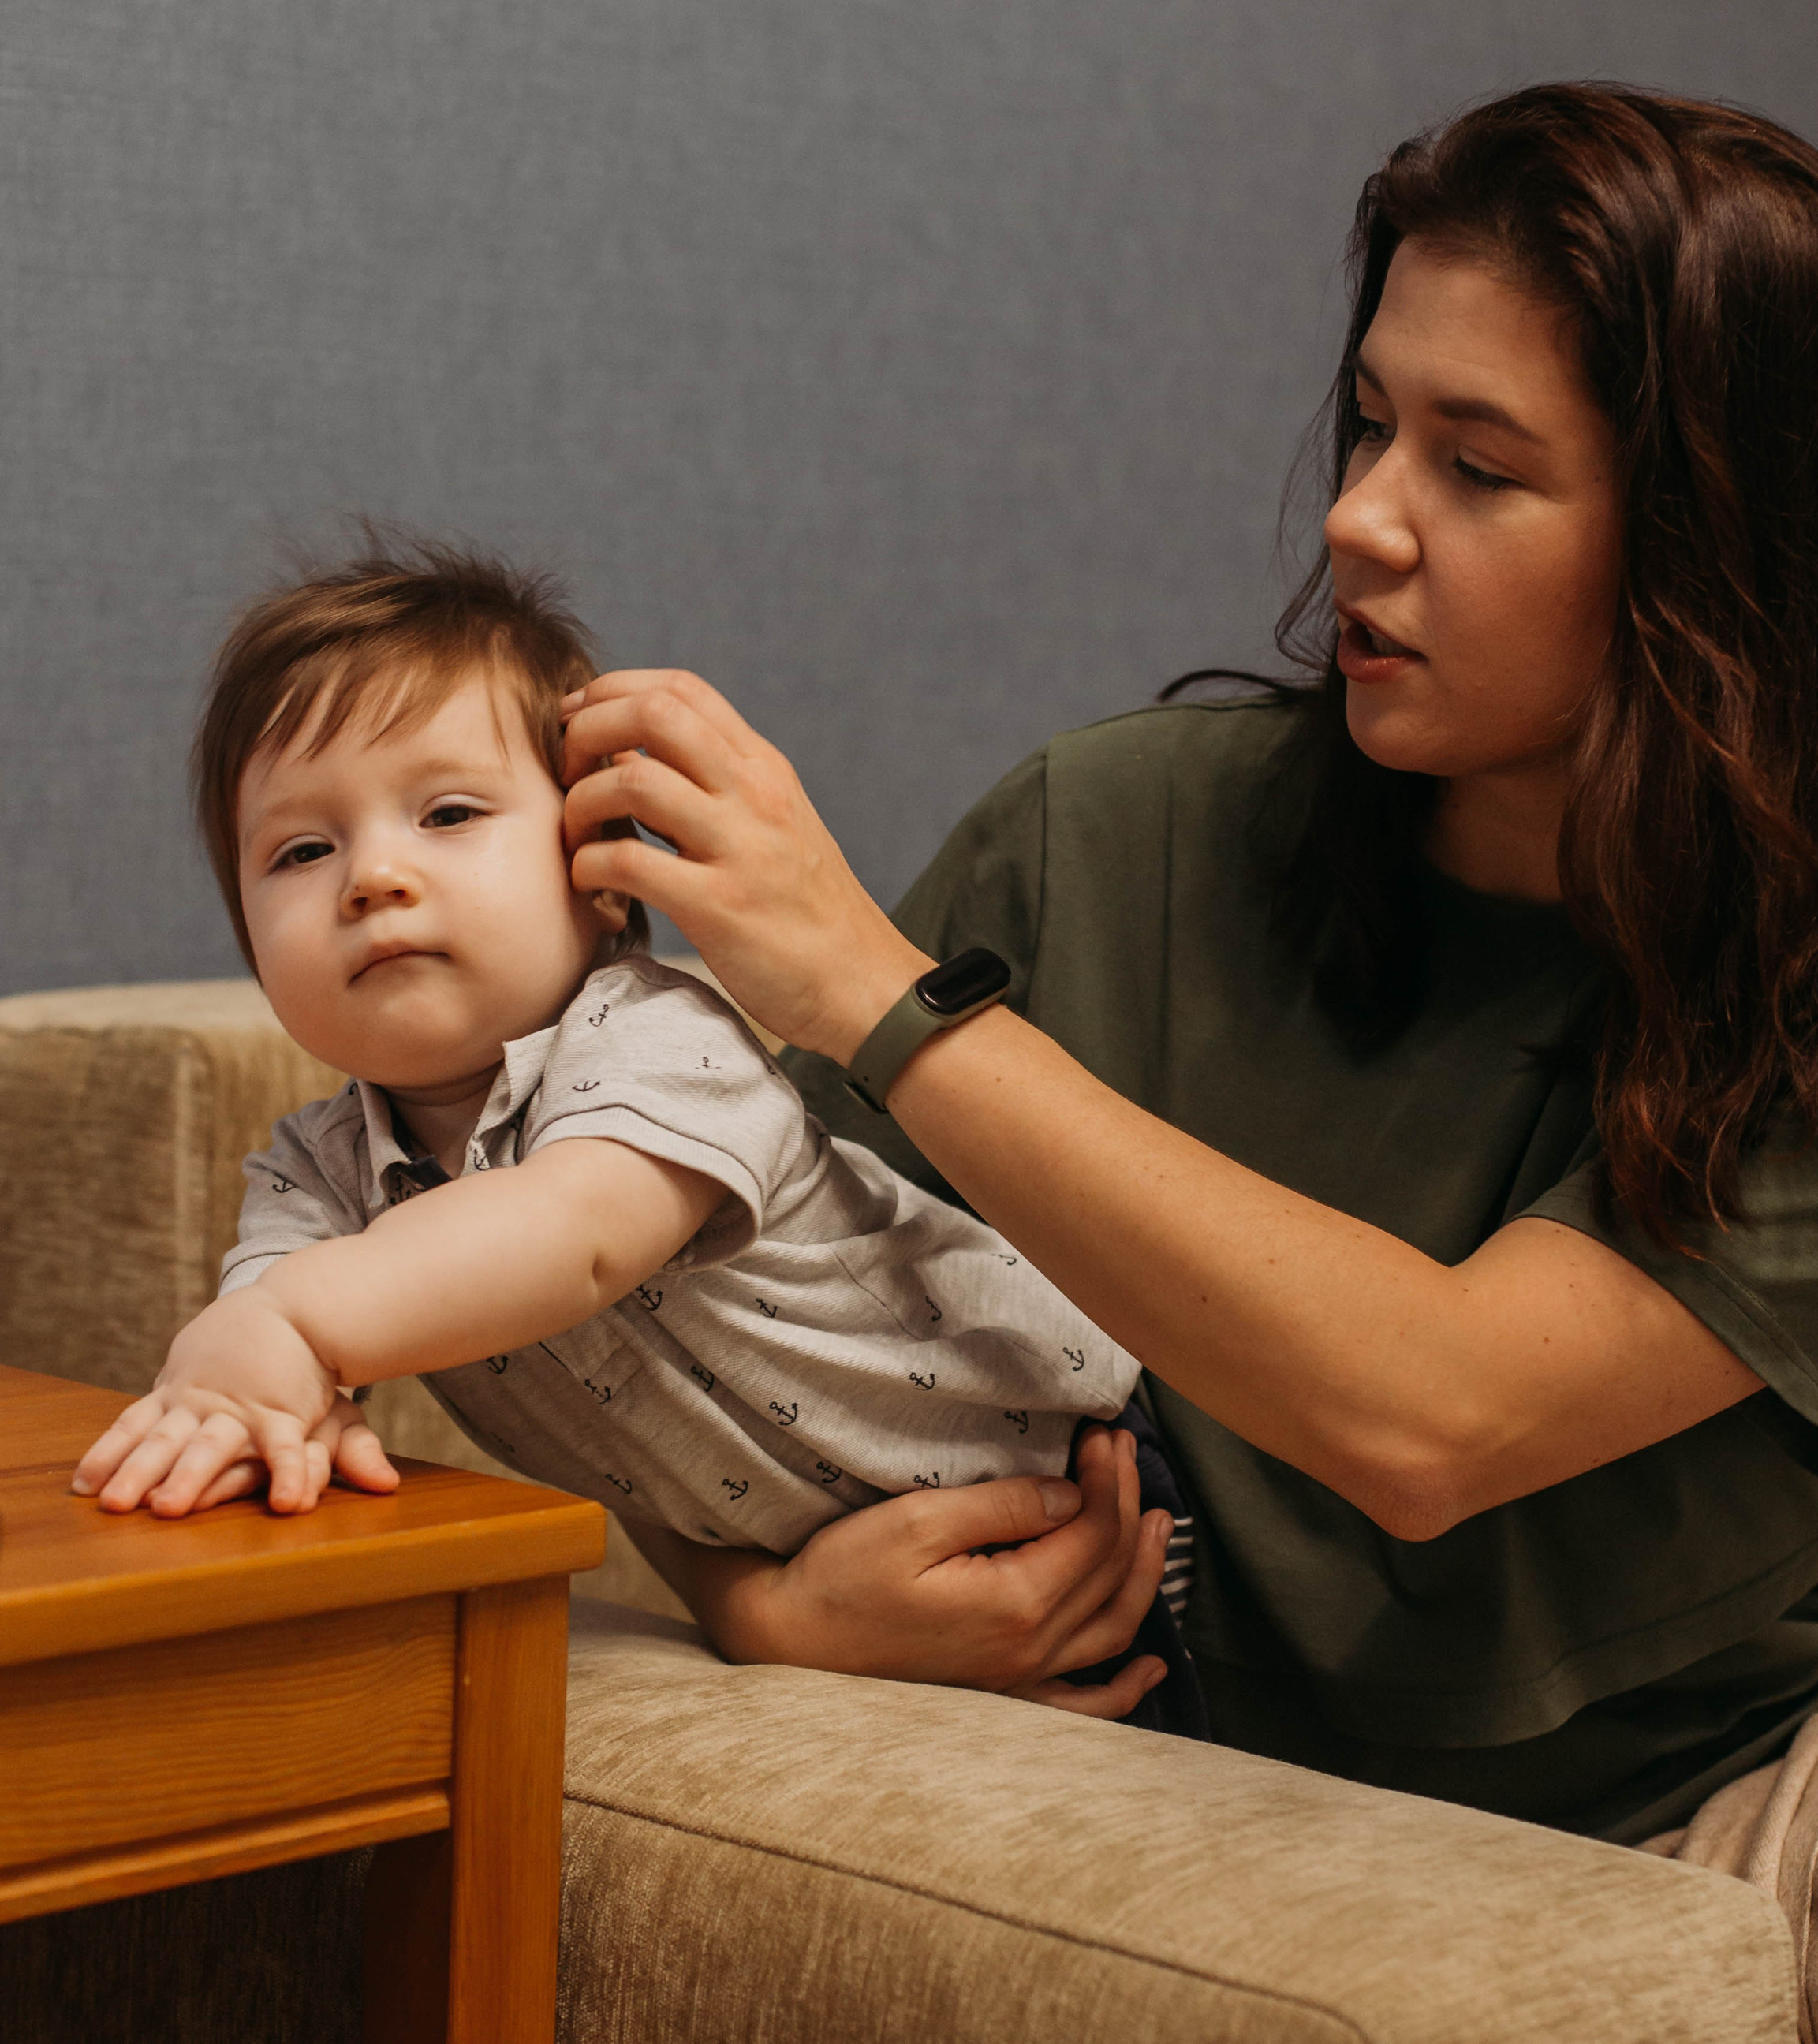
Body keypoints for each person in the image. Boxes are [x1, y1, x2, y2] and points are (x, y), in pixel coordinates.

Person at [550, 85, 1818, 2040]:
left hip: (1784, 1765)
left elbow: (1436, 1418)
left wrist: (882, 1000)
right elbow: (680, 1305)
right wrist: (747, 1599)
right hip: (1242, 1775)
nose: (1355, 515)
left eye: (1477, 467)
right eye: (1367, 420)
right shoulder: (1108, 834)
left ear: (1716, 560)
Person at [69, 543, 1208, 1732]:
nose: (374, 876)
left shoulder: (660, 1032)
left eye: (448, 812)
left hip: (1070, 1485)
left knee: (1178, 1800)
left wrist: (289, 1326)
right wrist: (240, 1409)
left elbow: (578, 1231)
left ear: (601, 873)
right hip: (830, 1556)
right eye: (302, 850)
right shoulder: (314, 1175)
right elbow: (251, 1357)